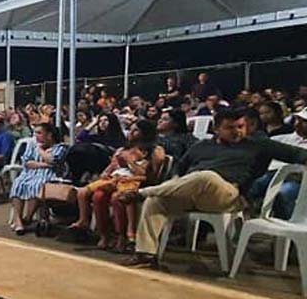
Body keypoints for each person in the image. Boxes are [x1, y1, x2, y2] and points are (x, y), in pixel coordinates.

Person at [125, 109, 307, 267]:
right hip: (192, 193)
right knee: (157, 201)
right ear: (216, 129)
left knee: (206, 176)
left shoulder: (258, 144)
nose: (237, 131)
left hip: (227, 194)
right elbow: (179, 172)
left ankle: (142, 193)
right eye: (230, 128)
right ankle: (146, 255)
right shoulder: (201, 146)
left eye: (240, 126)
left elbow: (297, 154)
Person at [70, 120, 166, 251]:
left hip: (136, 183)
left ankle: (122, 236)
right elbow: (109, 168)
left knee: (117, 198)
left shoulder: (152, 151)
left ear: (145, 133)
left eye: (136, 130)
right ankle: (104, 235)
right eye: (130, 129)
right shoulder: (122, 149)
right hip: (115, 180)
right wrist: (105, 173)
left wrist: (130, 163)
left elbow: (152, 176)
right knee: (98, 196)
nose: (131, 133)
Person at [247, 108, 307, 219]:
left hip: (299, 181)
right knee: (250, 186)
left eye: (304, 121)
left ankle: (288, 227)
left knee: (283, 193)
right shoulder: (279, 138)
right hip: (268, 174)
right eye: (297, 119)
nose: (298, 123)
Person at [9, 123, 66, 235]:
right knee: (18, 183)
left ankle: (28, 217)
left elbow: (53, 161)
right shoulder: (31, 145)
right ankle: (18, 220)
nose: (36, 136)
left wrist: (40, 150)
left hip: (49, 175)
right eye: (35, 133)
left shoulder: (60, 147)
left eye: (39, 133)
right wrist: (44, 164)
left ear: (49, 135)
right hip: (30, 173)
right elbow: (27, 163)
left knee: (37, 185)